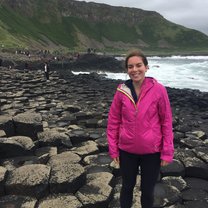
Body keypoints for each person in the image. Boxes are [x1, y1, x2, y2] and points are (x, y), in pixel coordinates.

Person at [107, 49, 174, 208]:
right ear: (127, 70)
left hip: (152, 152)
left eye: (138, 65)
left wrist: (167, 151)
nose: (135, 70)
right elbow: (113, 121)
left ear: (146, 67)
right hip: (127, 151)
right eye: (130, 66)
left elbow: (166, 121)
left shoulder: (159, 90)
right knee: (126, 188)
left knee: (148, 191)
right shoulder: (121, 91)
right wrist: (113, 149)